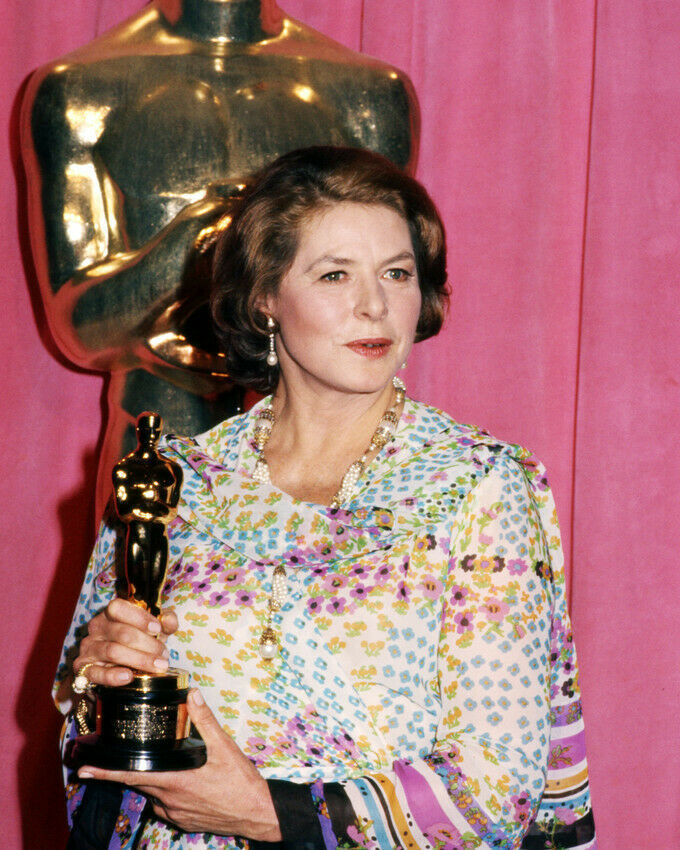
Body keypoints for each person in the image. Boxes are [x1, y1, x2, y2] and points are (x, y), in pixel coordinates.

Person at [56, 147, 596, 849]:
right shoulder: (173, 485)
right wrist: (98, 687)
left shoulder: (479, 484)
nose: (374, 304)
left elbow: (496, 791)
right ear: (265, 298)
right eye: (334, 274)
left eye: (397, 274)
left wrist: (261, 809)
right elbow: (88, 752)